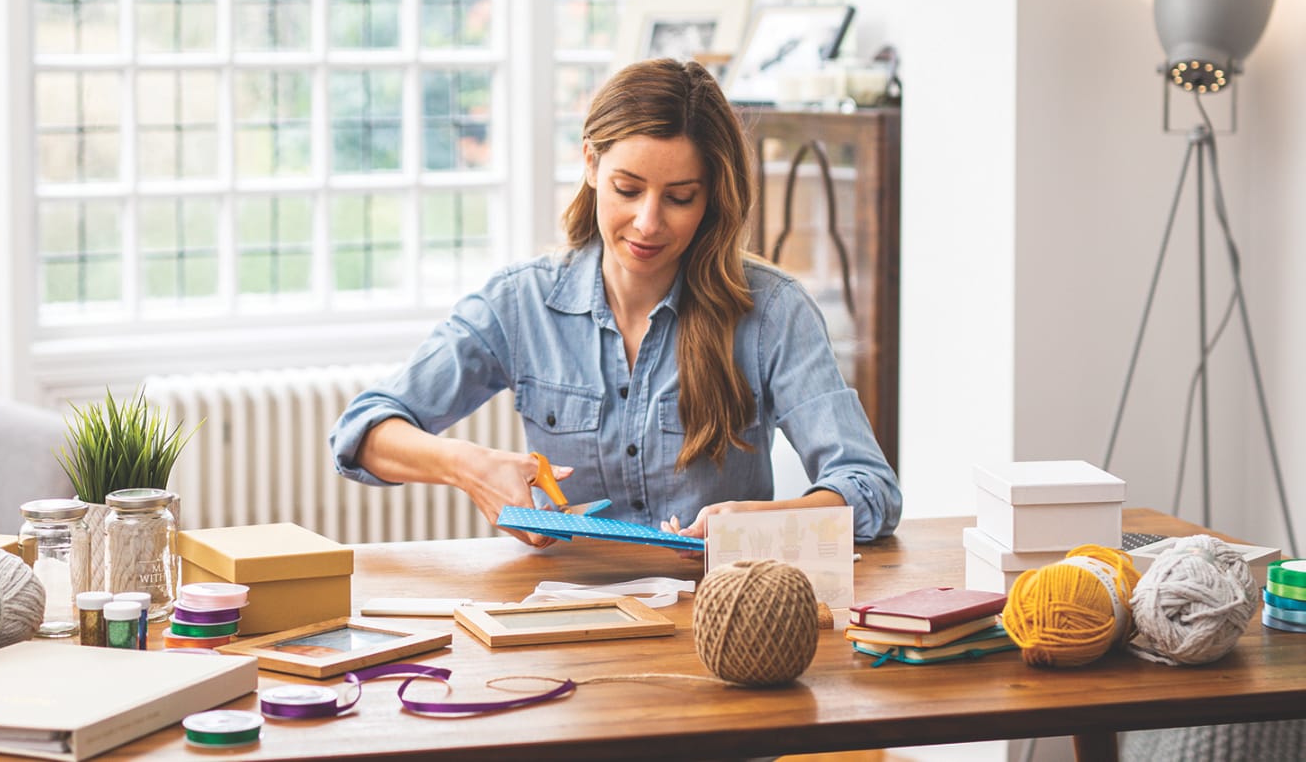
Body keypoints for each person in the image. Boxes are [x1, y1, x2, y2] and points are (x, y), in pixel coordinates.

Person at [328, 58, 901, 547]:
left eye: (680, 198)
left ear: (712, 200)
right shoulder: (520, 302)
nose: (648, 223)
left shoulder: (773, 313)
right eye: (628, 190)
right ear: (590, 165)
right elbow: (363, 431)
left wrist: (763, 523)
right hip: (565, 623)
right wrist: (470, 468)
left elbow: (869, 487)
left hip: (717, 621)